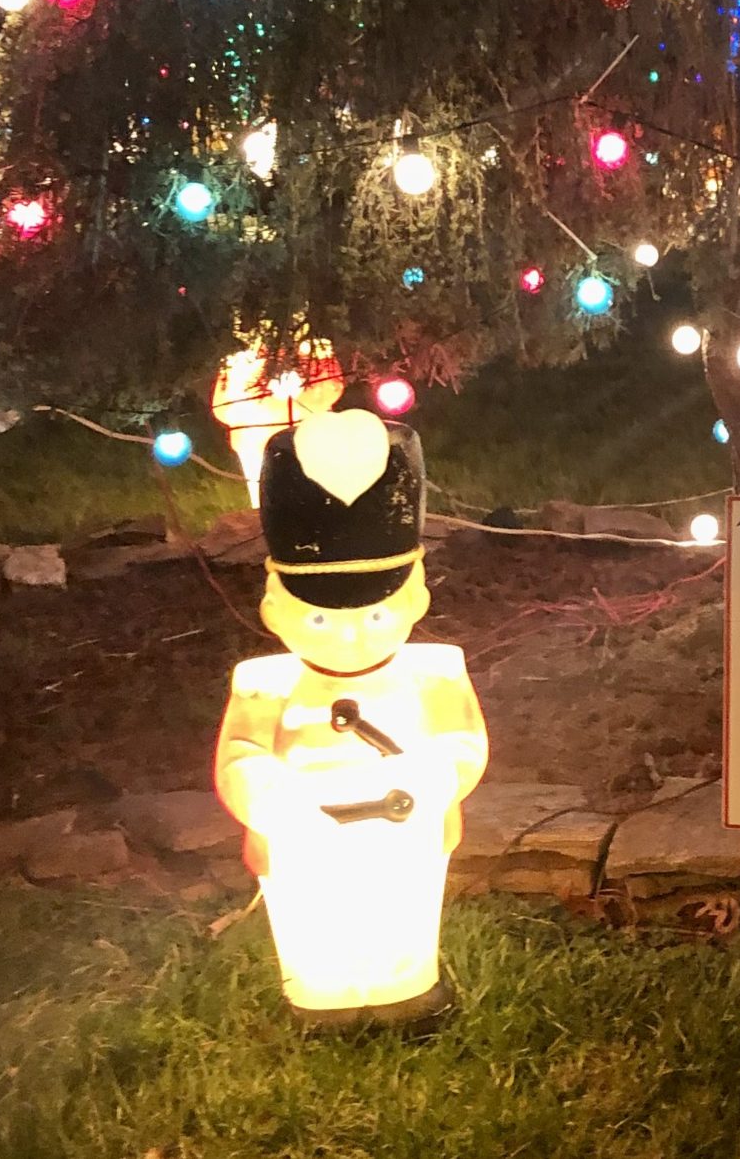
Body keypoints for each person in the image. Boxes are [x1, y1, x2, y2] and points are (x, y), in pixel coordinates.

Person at [214, 407, 487, 1025]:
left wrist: (432, 778)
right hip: (307, 848)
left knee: (401, 926)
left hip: (403, 835)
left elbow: (462, 744)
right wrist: (271, 798)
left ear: (414, 595)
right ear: (275, 606)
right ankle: (322, 998)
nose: (350, 636)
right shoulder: (265, 685)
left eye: (372, 614)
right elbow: (241, 756)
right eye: (319, 617)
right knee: (319, 931)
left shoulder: (434, 672)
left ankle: (408, 990)